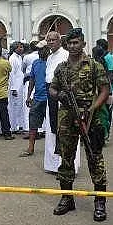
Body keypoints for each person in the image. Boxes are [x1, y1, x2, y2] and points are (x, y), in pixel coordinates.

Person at [48, 28, 110, 219]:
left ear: (83, 43)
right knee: (66, 158)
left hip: (89, 116)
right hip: (67, 117)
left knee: (94, 157)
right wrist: (60, 95)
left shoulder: (94, 66)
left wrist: (92, 109)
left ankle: (100, 202)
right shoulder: (61, 68)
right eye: (70, 43)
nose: (73, 46)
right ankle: (67, 198)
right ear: (66, 45)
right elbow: (52, 89)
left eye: (76, 42)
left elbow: (104, 91)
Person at [44, 30, 69, 173]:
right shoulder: (49, 57)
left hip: (61, 94)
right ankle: (53, 164)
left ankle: (64, 164)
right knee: (52, 128)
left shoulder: (65, 55)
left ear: (60, 41)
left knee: (62, 128)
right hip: (50, 94)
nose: (51, 42)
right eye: (49, 40)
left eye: (53, 40)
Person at [22, 41, 48, 157]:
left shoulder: (51, 62)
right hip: (37, 98)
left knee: (53, 125)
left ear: (47, 49)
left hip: (49, 99)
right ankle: (30, 147)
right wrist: (29, 96)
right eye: (39, 49)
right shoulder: (36, 63)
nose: (40, 51)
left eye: (42, 49)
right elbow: (32, 79)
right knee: (33, 123)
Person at [8, 41, 26, 134]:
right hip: (15, 87)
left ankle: (19, 125)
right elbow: (11, 74)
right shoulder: (12, 58)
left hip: (20, 85)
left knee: (19, 106)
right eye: (20, 47)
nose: (22, 49)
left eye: (22, 47)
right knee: (14, 107)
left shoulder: (19, 57)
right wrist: (13, 88)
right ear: (15, 48)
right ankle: (14, 127)